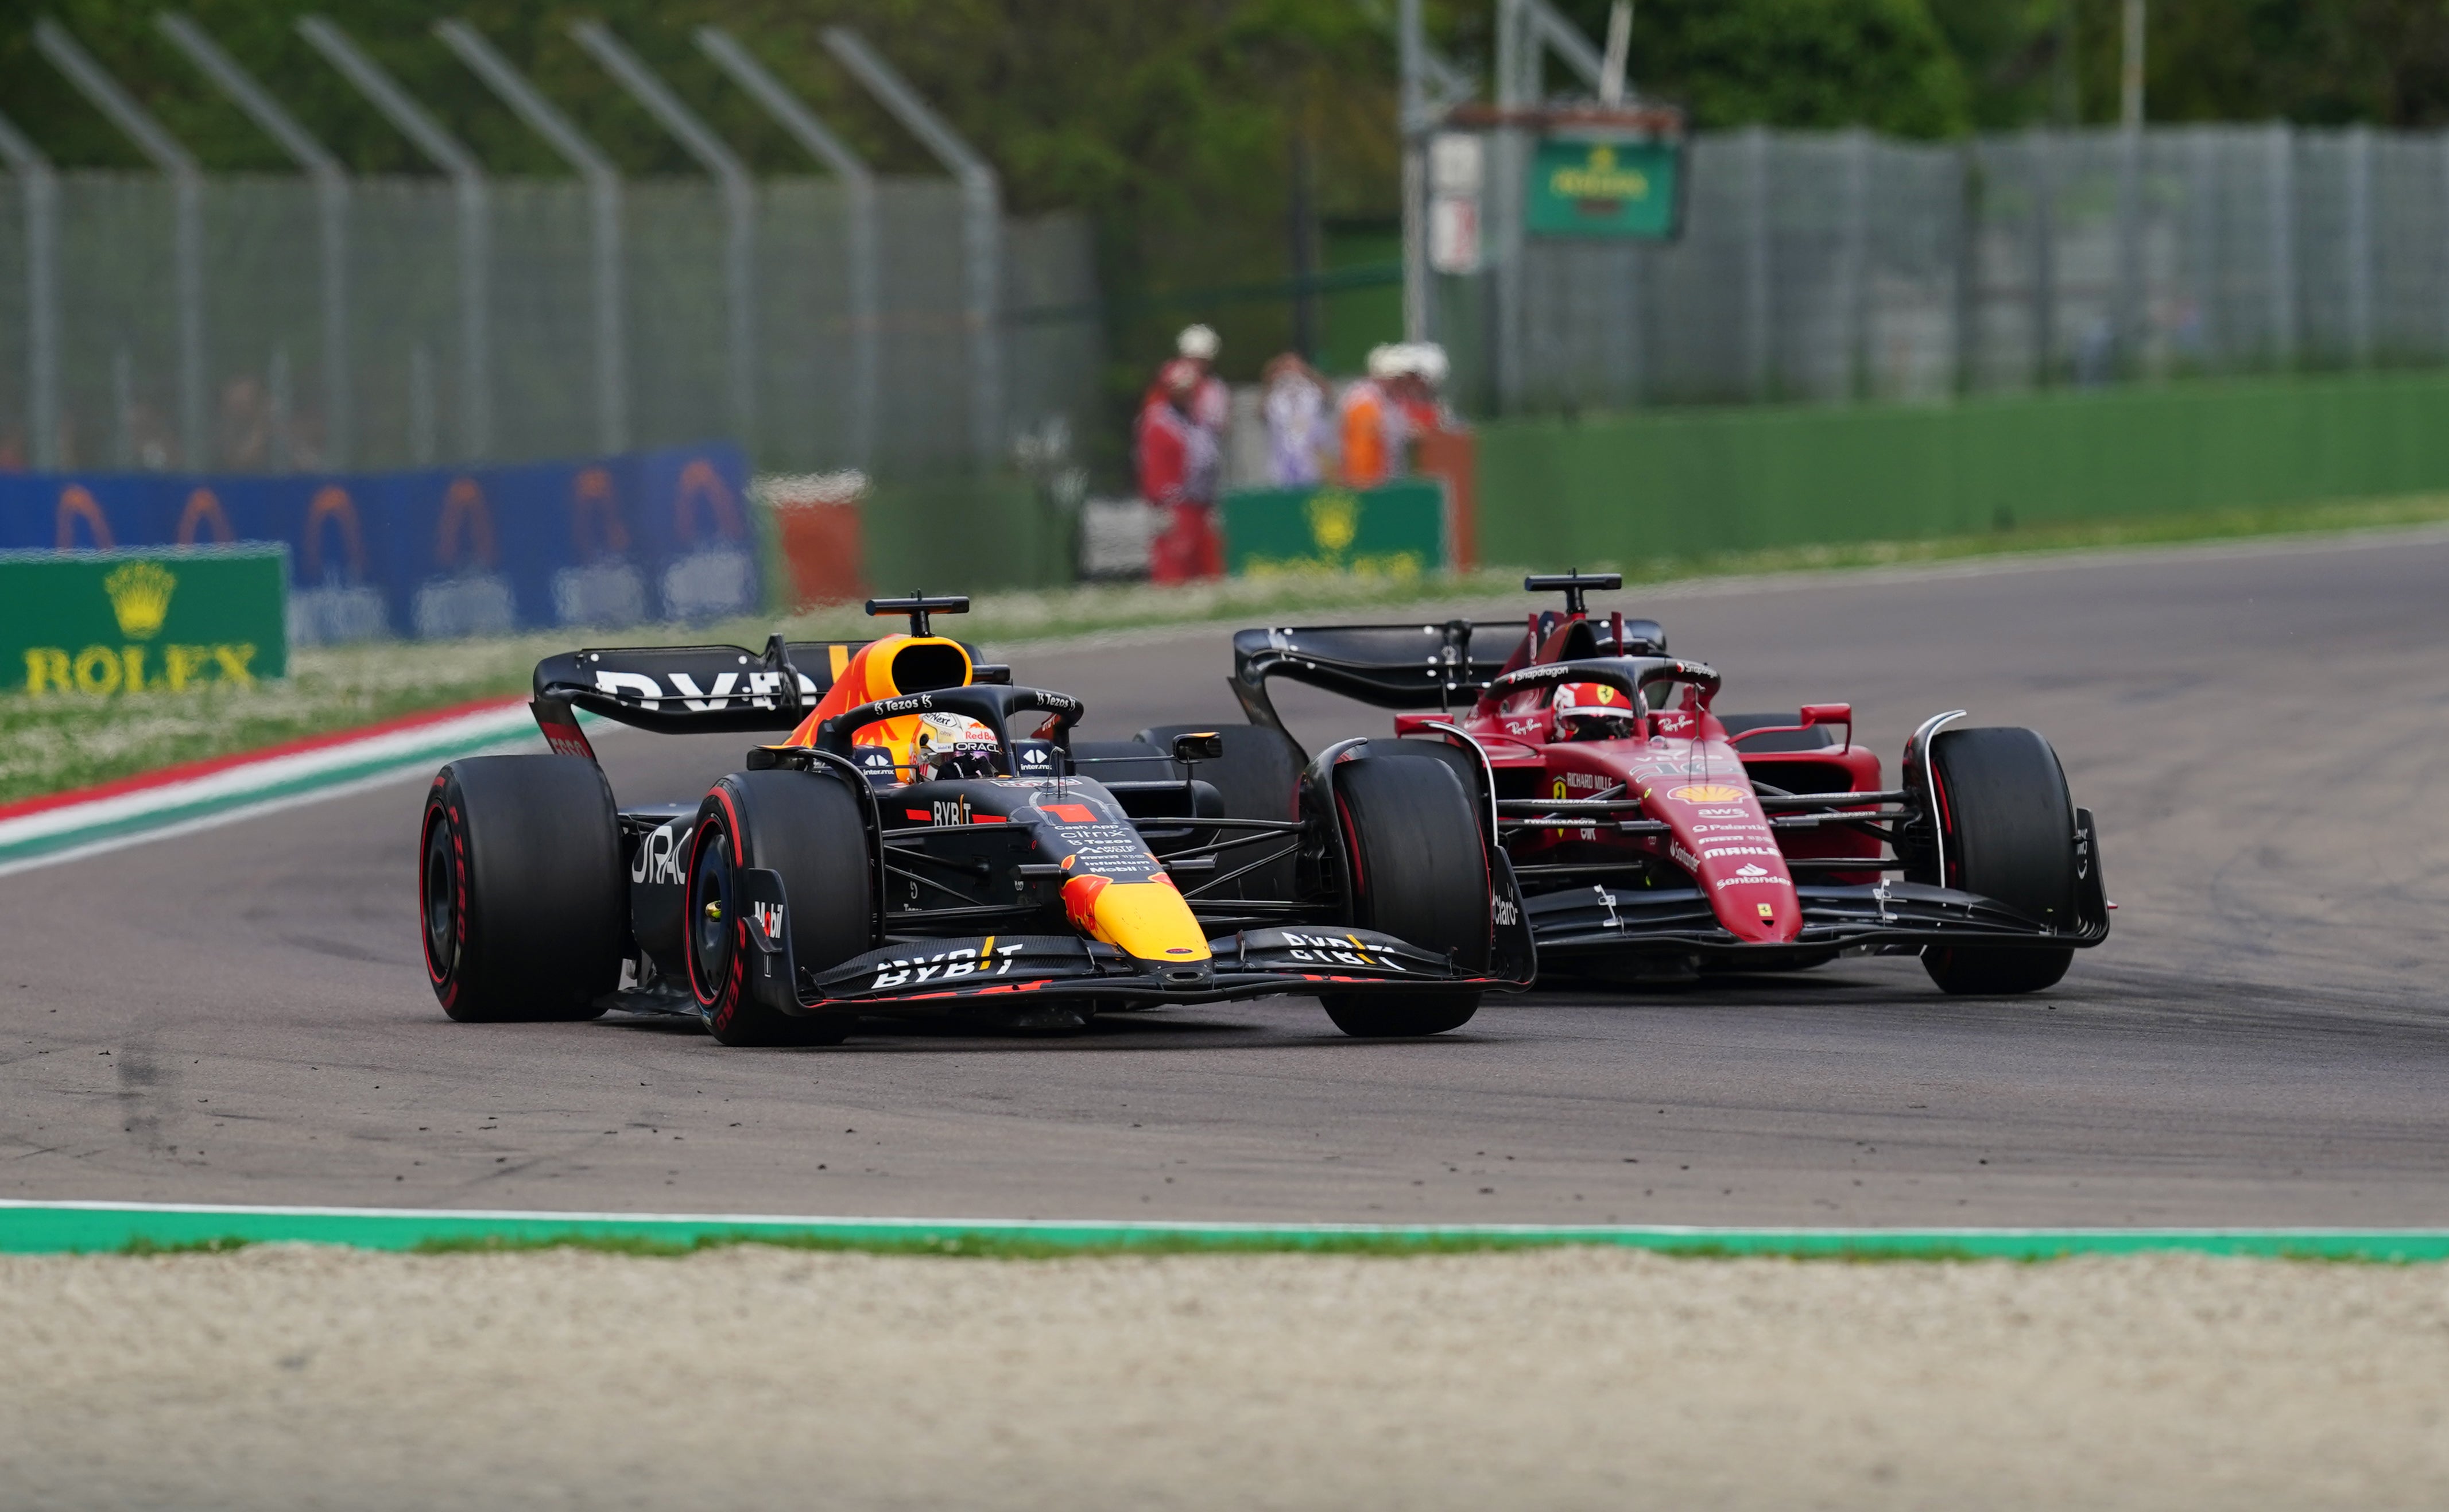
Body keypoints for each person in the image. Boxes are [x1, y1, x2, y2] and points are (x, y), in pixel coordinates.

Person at [1138, 357, 1223, 582]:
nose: (1187, 394)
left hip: (1202, 498)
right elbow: (1154, 464)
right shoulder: (1158, 420)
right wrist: (1162, 503)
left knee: (1208, 561)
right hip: (1176, 503)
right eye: (1181, 389)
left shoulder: (1196, 418)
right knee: (1176, 560)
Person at [1339, 344, 1410, 487]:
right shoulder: (1363, 399)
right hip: (1366, 480)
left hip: (1389, 475)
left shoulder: (1389, 399)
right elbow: (1365, 439)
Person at [1260, 352, 1334, 486]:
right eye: (1287, 367)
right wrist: (1273, 380)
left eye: (1295, 366)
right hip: (1283, 463)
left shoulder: (1312, 392)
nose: (1291, 372)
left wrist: (1308, 375)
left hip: (1313, 462)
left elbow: (1329, 397)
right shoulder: (1275, 397)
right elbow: (1262, 412)